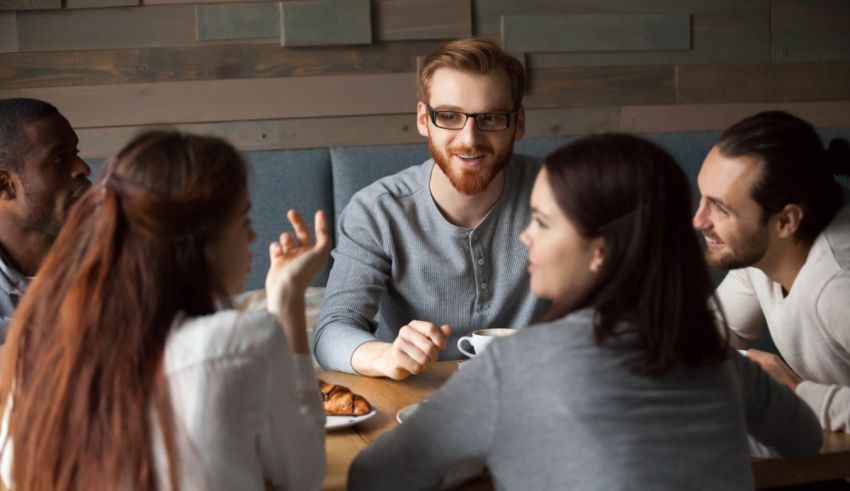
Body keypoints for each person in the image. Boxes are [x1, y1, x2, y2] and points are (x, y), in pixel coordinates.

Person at [348, 134, 822, 490]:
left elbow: (373, 477)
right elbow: (804, 441)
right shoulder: (714, 355)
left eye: (543, 222)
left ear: (601, 250)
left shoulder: (513, 368)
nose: (525, 236)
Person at [0, 130, 330, 490]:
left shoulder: (38, 346)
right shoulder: (241, 339)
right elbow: (303, 476)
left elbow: (14, 473)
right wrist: (287, 299)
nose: (252, 238)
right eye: (244, 221)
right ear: (200, 242)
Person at [313, 38, 545, 379]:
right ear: (424, 119)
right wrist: (385, 356)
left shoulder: (561, 194)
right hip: (416, 403)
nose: (469, 139)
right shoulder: (377, 212)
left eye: (491, 118)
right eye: (449, 116)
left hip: (538, 393)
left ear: (518, 123)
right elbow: (332, 330)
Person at [693, 111, 850, 432]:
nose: (699, 220)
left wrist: (796, 392)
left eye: (720, 208)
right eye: (703, 198)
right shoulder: (763, 252)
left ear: (785, 221)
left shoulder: (840, 287)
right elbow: (712, 334)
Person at [0, 98, 92, 343]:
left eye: (76, 153)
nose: (83, 168)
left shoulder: (122, 253)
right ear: (5, 185)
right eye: (59, 159)